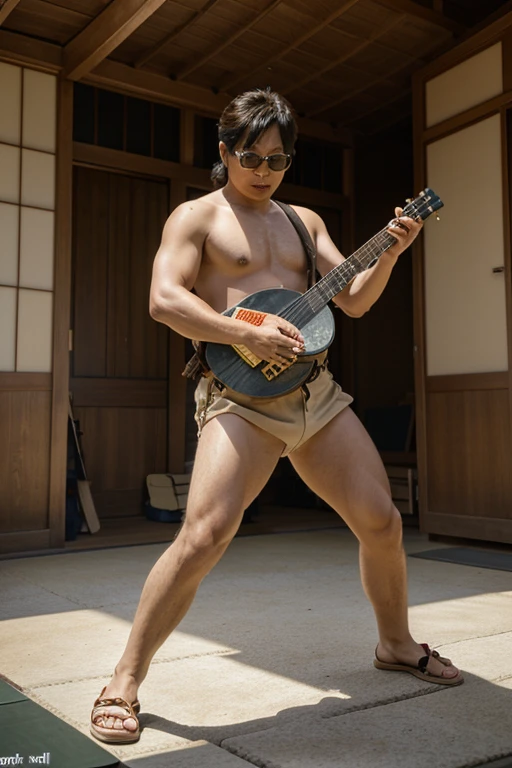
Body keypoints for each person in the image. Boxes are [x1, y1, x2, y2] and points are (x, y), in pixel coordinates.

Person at [90, 88, 463, 745]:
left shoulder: (304, 224)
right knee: (204, 534)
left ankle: (396, 643)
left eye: (278, 158)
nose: (263, 170)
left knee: (382, 521)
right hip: (238, 397)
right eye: (250, 155)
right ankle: (123, 680)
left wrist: (392, 253)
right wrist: (245, 337)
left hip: (314, 394)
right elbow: (163, 300)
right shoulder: (196, 218)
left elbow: (352, 303)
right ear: (225, 150)